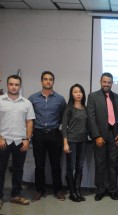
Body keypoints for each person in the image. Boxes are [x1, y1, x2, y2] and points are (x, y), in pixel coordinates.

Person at [29, 71, 66, 201]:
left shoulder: (60, 99)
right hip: (38, 135)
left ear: (53, 82)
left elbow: (63, 117)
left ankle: (58, 190)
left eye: (50, 79)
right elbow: (29, 118)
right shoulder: (32, 98)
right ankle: (39, 190)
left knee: (56, 165)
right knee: (39, 165)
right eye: (45, 79)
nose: (48, 81)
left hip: (54, 135)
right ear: (41, 81)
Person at [0, 75, 35, 208]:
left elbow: (29, 121)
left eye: (16, 84)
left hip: (20, 141)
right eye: (11, 84)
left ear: (20, 86)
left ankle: (16, 195)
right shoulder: (0, 101)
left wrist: (27, 139)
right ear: (7, 85)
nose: (14, 87)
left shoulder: (26, 103)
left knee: (18, 169)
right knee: (0, 170)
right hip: (3, 141)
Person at [87, 72, 118, 201]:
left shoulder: (117, 98)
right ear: (100, 82)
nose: (106, 84)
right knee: (100, 163)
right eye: (104, 82)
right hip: (100, 136)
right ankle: (100, 190)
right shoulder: (92, 96)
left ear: (112, 83)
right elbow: (91, 117)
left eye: (109, 82)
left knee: (113, 164)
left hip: (114, 135)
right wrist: (96, 136)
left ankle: (113, 189)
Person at [62, 84, 88, 202]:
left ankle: (77, 191)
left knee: (80, 167)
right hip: (71, 141)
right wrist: (65, 143)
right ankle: (72, 192)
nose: (78, 94)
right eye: (75, 92)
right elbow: (64, 128)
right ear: (71, 94)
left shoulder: (86, 108)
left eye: (80, 91)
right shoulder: (69, 108)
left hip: (83, 141)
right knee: (71, 167)